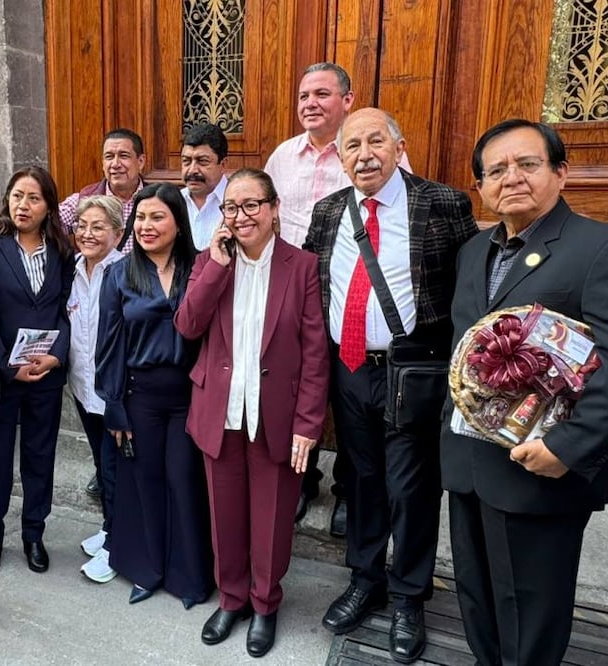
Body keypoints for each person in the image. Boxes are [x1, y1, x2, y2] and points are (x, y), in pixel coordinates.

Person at [441, 118, 608, 665]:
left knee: (532, 615)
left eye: (527, 164)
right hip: (470, 463)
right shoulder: (473, 252)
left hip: (541, 469)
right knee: (477, 599)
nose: (511, 178)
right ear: (481, 188)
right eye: (496, 170)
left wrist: (569, 447)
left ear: (560, 173)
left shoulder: (600, 246)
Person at [310, 109, 476, 663]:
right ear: (340, 156)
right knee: (361, 480)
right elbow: (314, 288)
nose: (364, 154)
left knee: (412, 488)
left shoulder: (443, 204)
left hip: (414, 371)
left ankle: (408, 595)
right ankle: (365, 577)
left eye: (375, 140)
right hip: (348, 368)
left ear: (399, 146)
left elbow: (467, 292)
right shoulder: (329, 210)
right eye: (351, 144)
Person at [175, 168, 329, 658]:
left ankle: (265, 604)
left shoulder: (301, 266)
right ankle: (232, 598)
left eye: (250, 206)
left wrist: (309, 425)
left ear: (273, 208)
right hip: (219, 411)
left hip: (276, 417)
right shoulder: (209, 260)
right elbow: (188, 324)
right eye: (231, 208)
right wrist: (217, 267)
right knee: (225, 517)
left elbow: (314, 351)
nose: (240, 217)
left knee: (272, 520)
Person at [264, 62, 410, 532]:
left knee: (354, 401)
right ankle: (300, 482)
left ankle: (350, 489)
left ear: (347, 100)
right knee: (295, 392)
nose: (310, 104)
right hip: (292, 296)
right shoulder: (282, 157)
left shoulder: (376, 152)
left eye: (322, 94)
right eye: (304, 95)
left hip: (354, 299)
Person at [96, 183, 213, 609]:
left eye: (157, 217)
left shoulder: (200, 268)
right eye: (140, 218)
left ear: (178, 223)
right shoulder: (119, 273)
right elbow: (108, 344)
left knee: (184, 481)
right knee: (144, 482)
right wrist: (114, 405)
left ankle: (190, 576)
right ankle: (148, 571)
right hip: (139, 396)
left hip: (189, 396)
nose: (146, 226)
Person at [0, 166, 74, 576]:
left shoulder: (62, 251)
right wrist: (5, 365)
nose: (24, 205)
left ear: (48, 206)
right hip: (3, 375)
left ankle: (33, 533)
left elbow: (70, 309)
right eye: (17, 195)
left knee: (40, 456)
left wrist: (57, 355)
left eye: (34, 198)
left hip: (45, 375)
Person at [67, 195, 126, 584]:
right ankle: (110, 528)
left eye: (98, 226)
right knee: (102, 469)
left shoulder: (124, 272)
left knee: (115, 470)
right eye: (82, 226)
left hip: (114, 393)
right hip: (82, 387)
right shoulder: (71, 269)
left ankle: (119, 548)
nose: (88, 234)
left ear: (118, 233)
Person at [56, 128, 148, 254]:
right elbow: (48, 226)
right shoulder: (84, 199)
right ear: (103, 163)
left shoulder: (157, 200)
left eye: (123, 156)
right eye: (109, 157)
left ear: (141, 161)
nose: (115, 164)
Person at [179, 123, 229, 250]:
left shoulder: (241, 204)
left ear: (223, 165)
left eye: (202, 161)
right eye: (186, 161)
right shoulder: (173, 201)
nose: (192, 170)